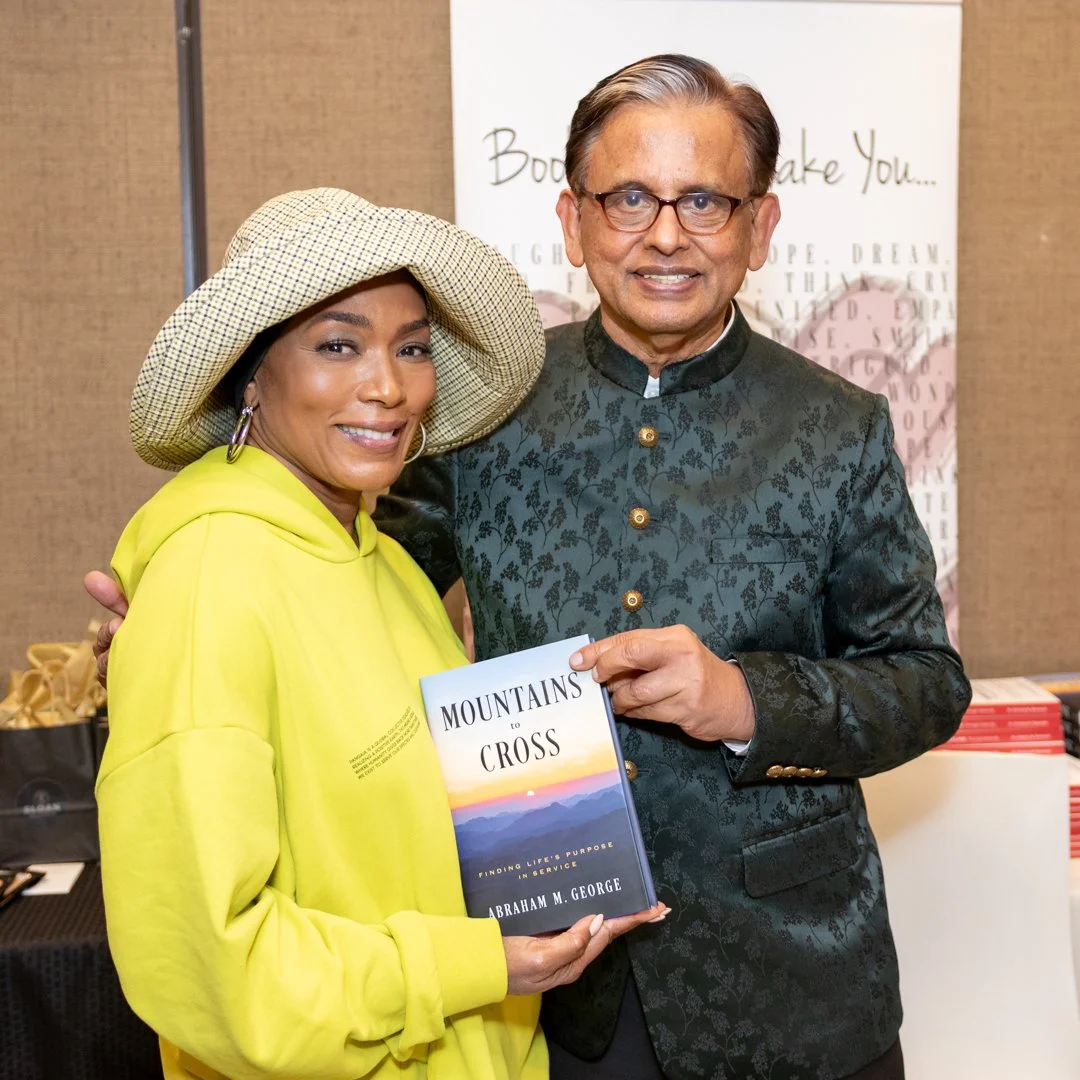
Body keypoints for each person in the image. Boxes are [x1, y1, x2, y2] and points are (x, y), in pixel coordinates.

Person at [90, 56, 972, 1080]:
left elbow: (926, 682)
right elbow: (342, 585)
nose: (666, 234)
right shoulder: (481, 412)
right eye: (630, 197)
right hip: (544, 992)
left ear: (758, 226)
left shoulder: (838, 429)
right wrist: (161, 635)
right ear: (574, 219)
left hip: (792, 983)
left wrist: (744, 699)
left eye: (705, 200)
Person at [92, 187, 665, 1080]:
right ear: (250, 376)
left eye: (411, 347)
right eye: (337, 345)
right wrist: (477, 964)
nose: (389, 386)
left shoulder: (385, 561)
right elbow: (211, 968)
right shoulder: (211, 581)